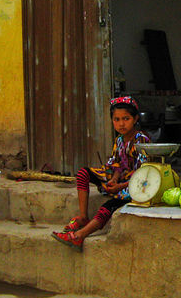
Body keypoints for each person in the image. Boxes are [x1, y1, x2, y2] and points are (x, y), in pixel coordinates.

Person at [51, 95, 150, 250]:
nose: (121, 124)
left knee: (109, 205)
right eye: (116, 119)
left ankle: (79, 235)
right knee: (84, 173)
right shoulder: (119, 140)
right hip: (121, 179)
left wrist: (120, 186)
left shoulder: (141, 140)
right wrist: (114, 180)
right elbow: (117, 164)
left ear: (135, 118)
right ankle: (83, 216)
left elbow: (143, 174)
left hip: (136, 183)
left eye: (126, 118)